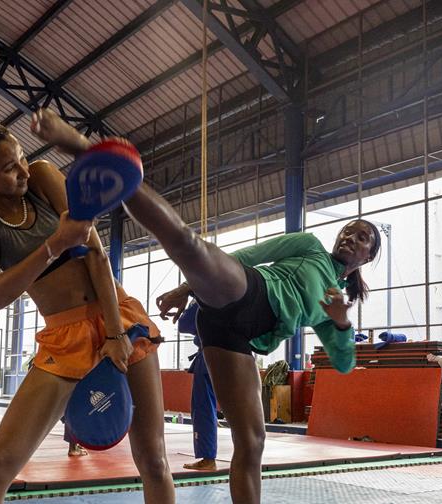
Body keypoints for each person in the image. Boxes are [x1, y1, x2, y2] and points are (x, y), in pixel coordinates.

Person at [30, 108, 381, 504]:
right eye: (348, 230)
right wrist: (187, 288)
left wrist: (340, 322)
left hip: (238, 335)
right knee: (187, 243)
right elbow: (250, 255)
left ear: (368, 257)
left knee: (252, 441)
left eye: (362, 237)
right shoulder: (309, 247)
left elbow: (346, 362)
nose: (351, 236)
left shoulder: (334, 302)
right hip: (248, 290)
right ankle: (98, 158)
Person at [0, 120, 174, 503]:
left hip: (120, 319)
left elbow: (96, 254)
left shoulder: (43, 176)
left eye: (22, 158)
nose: (23, 170)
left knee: (153, 459)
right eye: (9, 168)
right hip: (64, 337)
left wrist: (115, 335)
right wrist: (53, 245)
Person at [178, 303, 218, 471]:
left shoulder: (205, 292)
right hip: (242, 356)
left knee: (204, 407)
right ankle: (248, 456)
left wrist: (191, 297)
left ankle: (208, 458)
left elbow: (184, 324)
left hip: (211, 355)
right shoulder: (240, 288)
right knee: (244, 411)